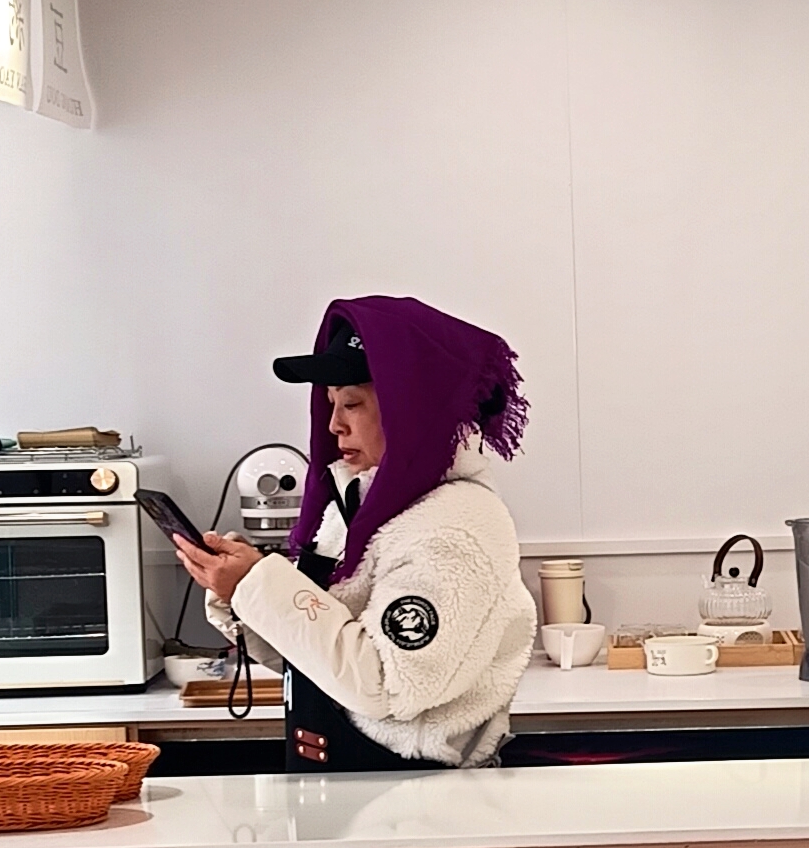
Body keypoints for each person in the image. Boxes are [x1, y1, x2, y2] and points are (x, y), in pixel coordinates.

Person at [169, 295, 537, 772]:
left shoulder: (453, 526)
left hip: (416, 796)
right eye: (330, 404)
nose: (334, 425)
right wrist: (241, 590)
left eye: (353, 404)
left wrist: (259, 585)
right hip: (341, 783)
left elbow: (386, 684)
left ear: (411, 409)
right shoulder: (354, 508)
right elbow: (314, 657)